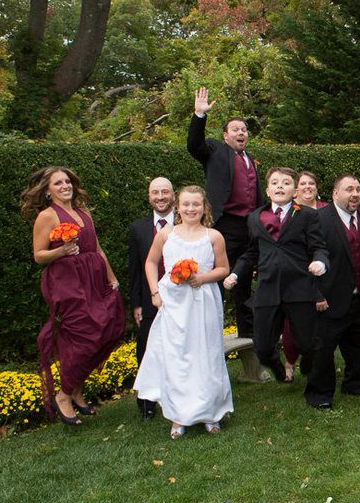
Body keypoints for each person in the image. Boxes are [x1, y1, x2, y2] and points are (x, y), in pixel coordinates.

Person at [21, 166, 125, 426]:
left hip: (94, 278)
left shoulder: (83, 212)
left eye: (67, 181)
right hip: (67, 283)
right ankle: (64, 395)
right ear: (47, 191)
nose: (65, 186)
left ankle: (76, 388)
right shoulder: (47, 216)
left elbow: (97, 248)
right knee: (84, 336)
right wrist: (62, 251)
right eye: (57, 183)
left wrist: (111, 276)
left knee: (110, 330)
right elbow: (38, 255)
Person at [223, 167, 331, 404]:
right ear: (268, 189)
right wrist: (236, 275)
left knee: (308, 343)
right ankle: (279, 370)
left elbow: (319, 247)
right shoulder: (255, 217)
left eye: (285, 183)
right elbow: (251, 253)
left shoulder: (307, 216)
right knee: (262, 346)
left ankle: (318, 390)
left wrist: (320, 263)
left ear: (294, 190)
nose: (280, 186)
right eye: (274, 182)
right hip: (267, 290)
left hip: (299, 288)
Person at [132, 186, 233, 438]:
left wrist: (203, 277)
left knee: (205, 353)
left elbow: (223, 268)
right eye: (186, 204)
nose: (190, 209)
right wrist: (155, 292)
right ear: (178, 207)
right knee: (177, 356)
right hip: (173, 303)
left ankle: (211, 413)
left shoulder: (213, 236)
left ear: (203, 207)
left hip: (204, 301)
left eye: (196, 204)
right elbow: (150, 262)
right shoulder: (166, 234)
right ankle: (179, 416)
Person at [188, 86, 262, 339]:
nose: (241, 133)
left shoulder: (251, 159)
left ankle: (248, 332)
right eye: (235, 129)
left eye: (244, 130)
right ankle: (211, 332)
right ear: (225, 135)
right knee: (218, 277)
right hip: (225, 224)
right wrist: (199, 115)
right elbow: (194, 145)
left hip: (249, 226)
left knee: (243, 278)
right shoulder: (215, 150)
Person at [311, 174, 360, 406]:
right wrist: (316, 294)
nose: (355, 194)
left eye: (358, 189)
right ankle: (320, 395)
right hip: (329, 298)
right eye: (349, 189)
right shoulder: (319, 219)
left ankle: (357, 386)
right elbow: (307, 259)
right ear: (335, 193)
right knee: (323, 349)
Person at [127, 176, 175, 419]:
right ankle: (146, 400)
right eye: (155, 192)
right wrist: (136, 303)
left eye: (165, 192)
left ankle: (176, 395)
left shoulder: (185, 224)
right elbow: (135, 269)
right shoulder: (138, 228)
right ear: (149, 197)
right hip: (150, 297)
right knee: (146, 346)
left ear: (173, 195)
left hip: (180, 296)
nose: (160, 197)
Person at [282, 170, 327, 380]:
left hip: (325, 274)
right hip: (296, 277)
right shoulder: (289, 213)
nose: (308, 186)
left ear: (317, 188)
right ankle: (290, 361)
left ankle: (313, 365)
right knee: (294, 325)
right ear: (295, 189)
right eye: (303, 183)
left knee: (320, 328)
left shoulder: (327, 210)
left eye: (312, 183)